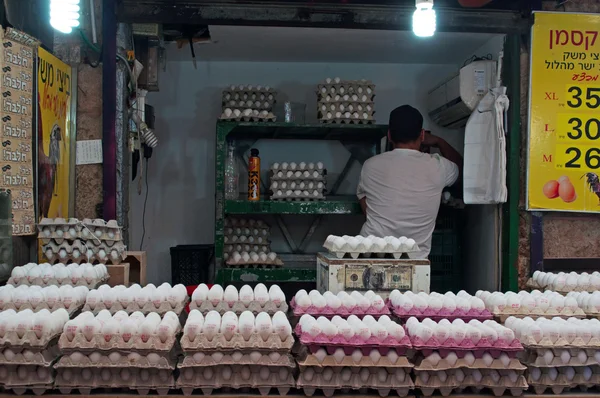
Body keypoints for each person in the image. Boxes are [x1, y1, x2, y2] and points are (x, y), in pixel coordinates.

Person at [356, 105, 463, 258]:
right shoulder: (439, 166)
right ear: (422, 134)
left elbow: (363, 200)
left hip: (372, 253)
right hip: (413, 261)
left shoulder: (370, 165)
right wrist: (439, 142)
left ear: (389, 135)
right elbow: (461, 168)